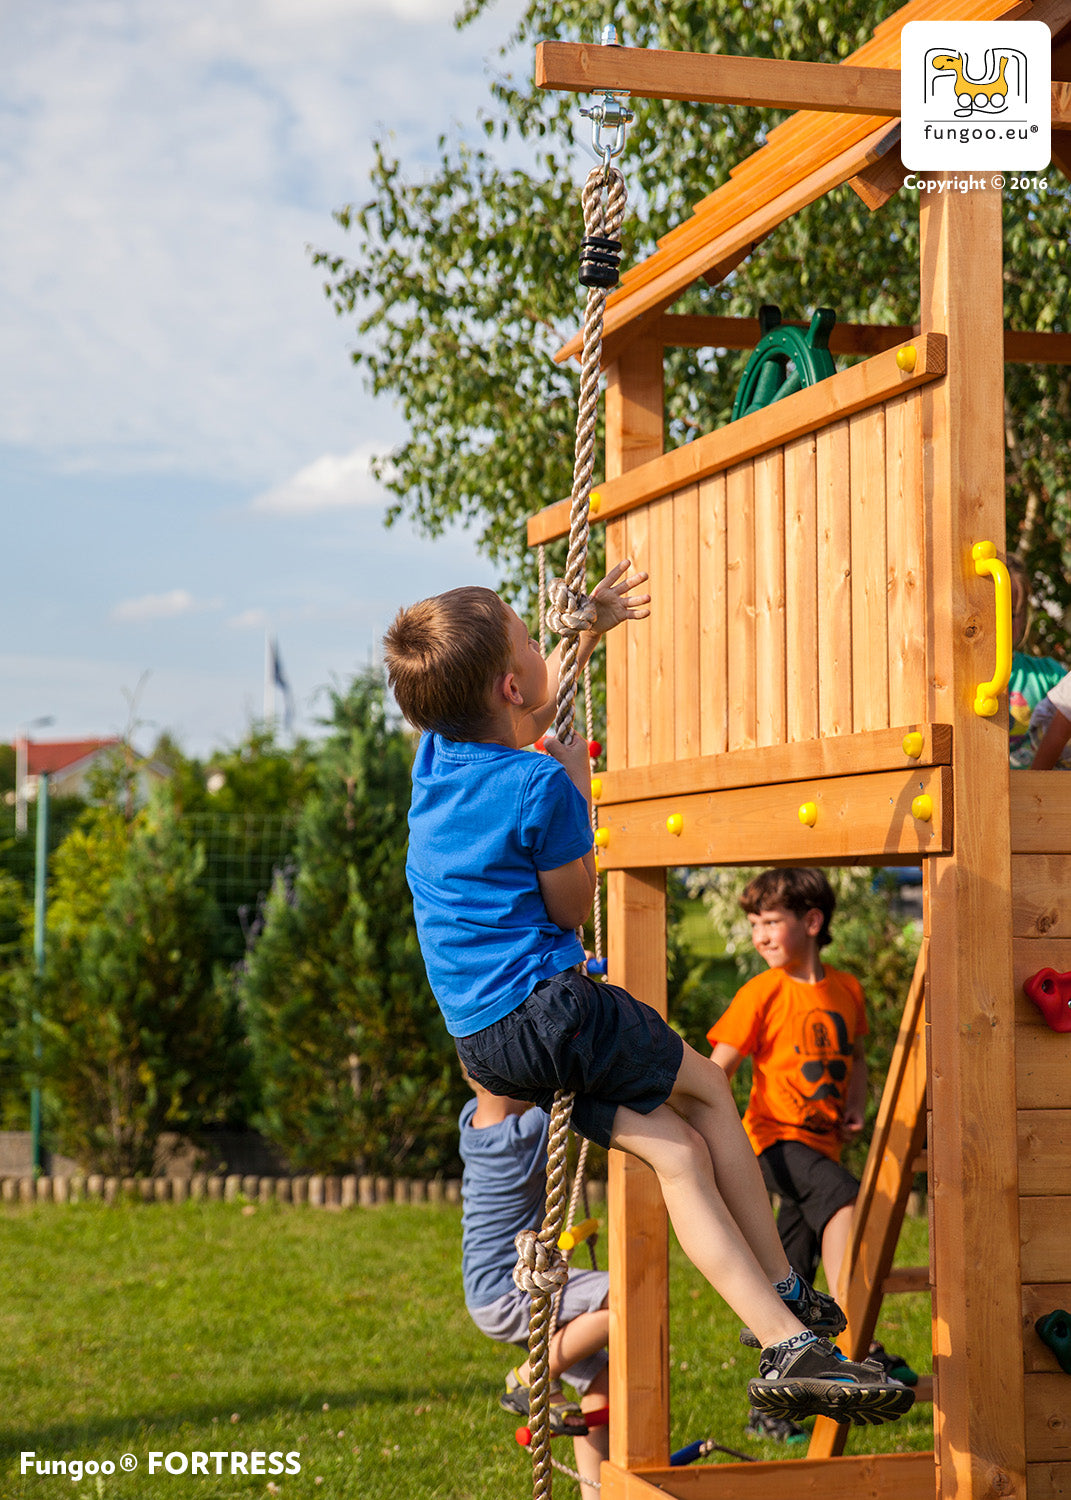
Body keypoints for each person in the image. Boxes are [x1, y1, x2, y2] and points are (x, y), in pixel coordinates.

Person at [382, 565, 913, 1429]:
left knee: (674, 1152)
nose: (538, 639)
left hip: (483, 1039)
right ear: (512, 679)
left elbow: (523, 712)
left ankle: (784, 1339)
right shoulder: (539, 785)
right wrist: (580, 797)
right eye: (529, 635)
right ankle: (787, 1294)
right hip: (555, 1011)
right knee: (708, 1090)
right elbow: (568, 903)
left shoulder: (436, 759)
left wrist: (583, 634)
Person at [708, 867, 913, 1439]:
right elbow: (717, 1070)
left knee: (792, 1270)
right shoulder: (762, 991)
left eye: (771, 922)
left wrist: (855, 1105)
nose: (760, 936)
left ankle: (771, 1411)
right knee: (845, 1200)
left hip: (823, 1141)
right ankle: (859, 1341)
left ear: (812, 922)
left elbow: (857, 1053)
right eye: (754, 924)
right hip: (775, 1141)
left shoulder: (846, 989)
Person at [459, 1065, 608, 1499]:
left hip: (488, 1292)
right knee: (628, 1304)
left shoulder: (473, 1121)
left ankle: (594, 1492)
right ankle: (528, 1378)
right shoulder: (522, 1137)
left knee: (601, 1376)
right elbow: (573, 1083)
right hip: (510, 1293)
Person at [1007, 556, 1065, 767]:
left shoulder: (1048, 675)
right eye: (994, 610)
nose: (1002, 621)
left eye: (1012, 614)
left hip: (1038, 795)